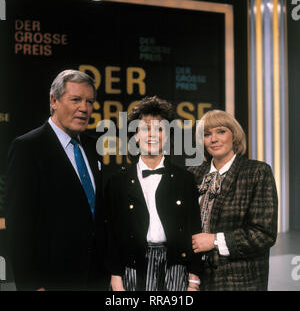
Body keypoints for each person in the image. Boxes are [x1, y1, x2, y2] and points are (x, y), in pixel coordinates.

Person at [5, 69, 109, 291]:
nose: (84, 108)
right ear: (54, 100)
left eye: (89, 101)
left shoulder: (93, 147)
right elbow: (19, 225)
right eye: (76, 100)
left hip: (97, 280)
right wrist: (32, 285)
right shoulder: (28, 147)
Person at [104, 96, 202, 291]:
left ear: (167, 136)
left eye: (159, 129)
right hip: (132, 268)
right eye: (145, 128)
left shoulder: (185, 179)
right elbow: (111, 235)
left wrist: (194, 281)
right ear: (135, 135)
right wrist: (116, 280)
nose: (152, 135)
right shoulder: (118, 182)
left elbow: (195, 231)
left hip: (176, 267)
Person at [189, 109, 278, 291]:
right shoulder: (193, 174)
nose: (213, 139)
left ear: (234, 136)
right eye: (207, 134)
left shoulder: (256, 172)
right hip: (194, 281)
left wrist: (214, 240)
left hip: (240, 282)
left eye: (221, 131)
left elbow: (263, 234)